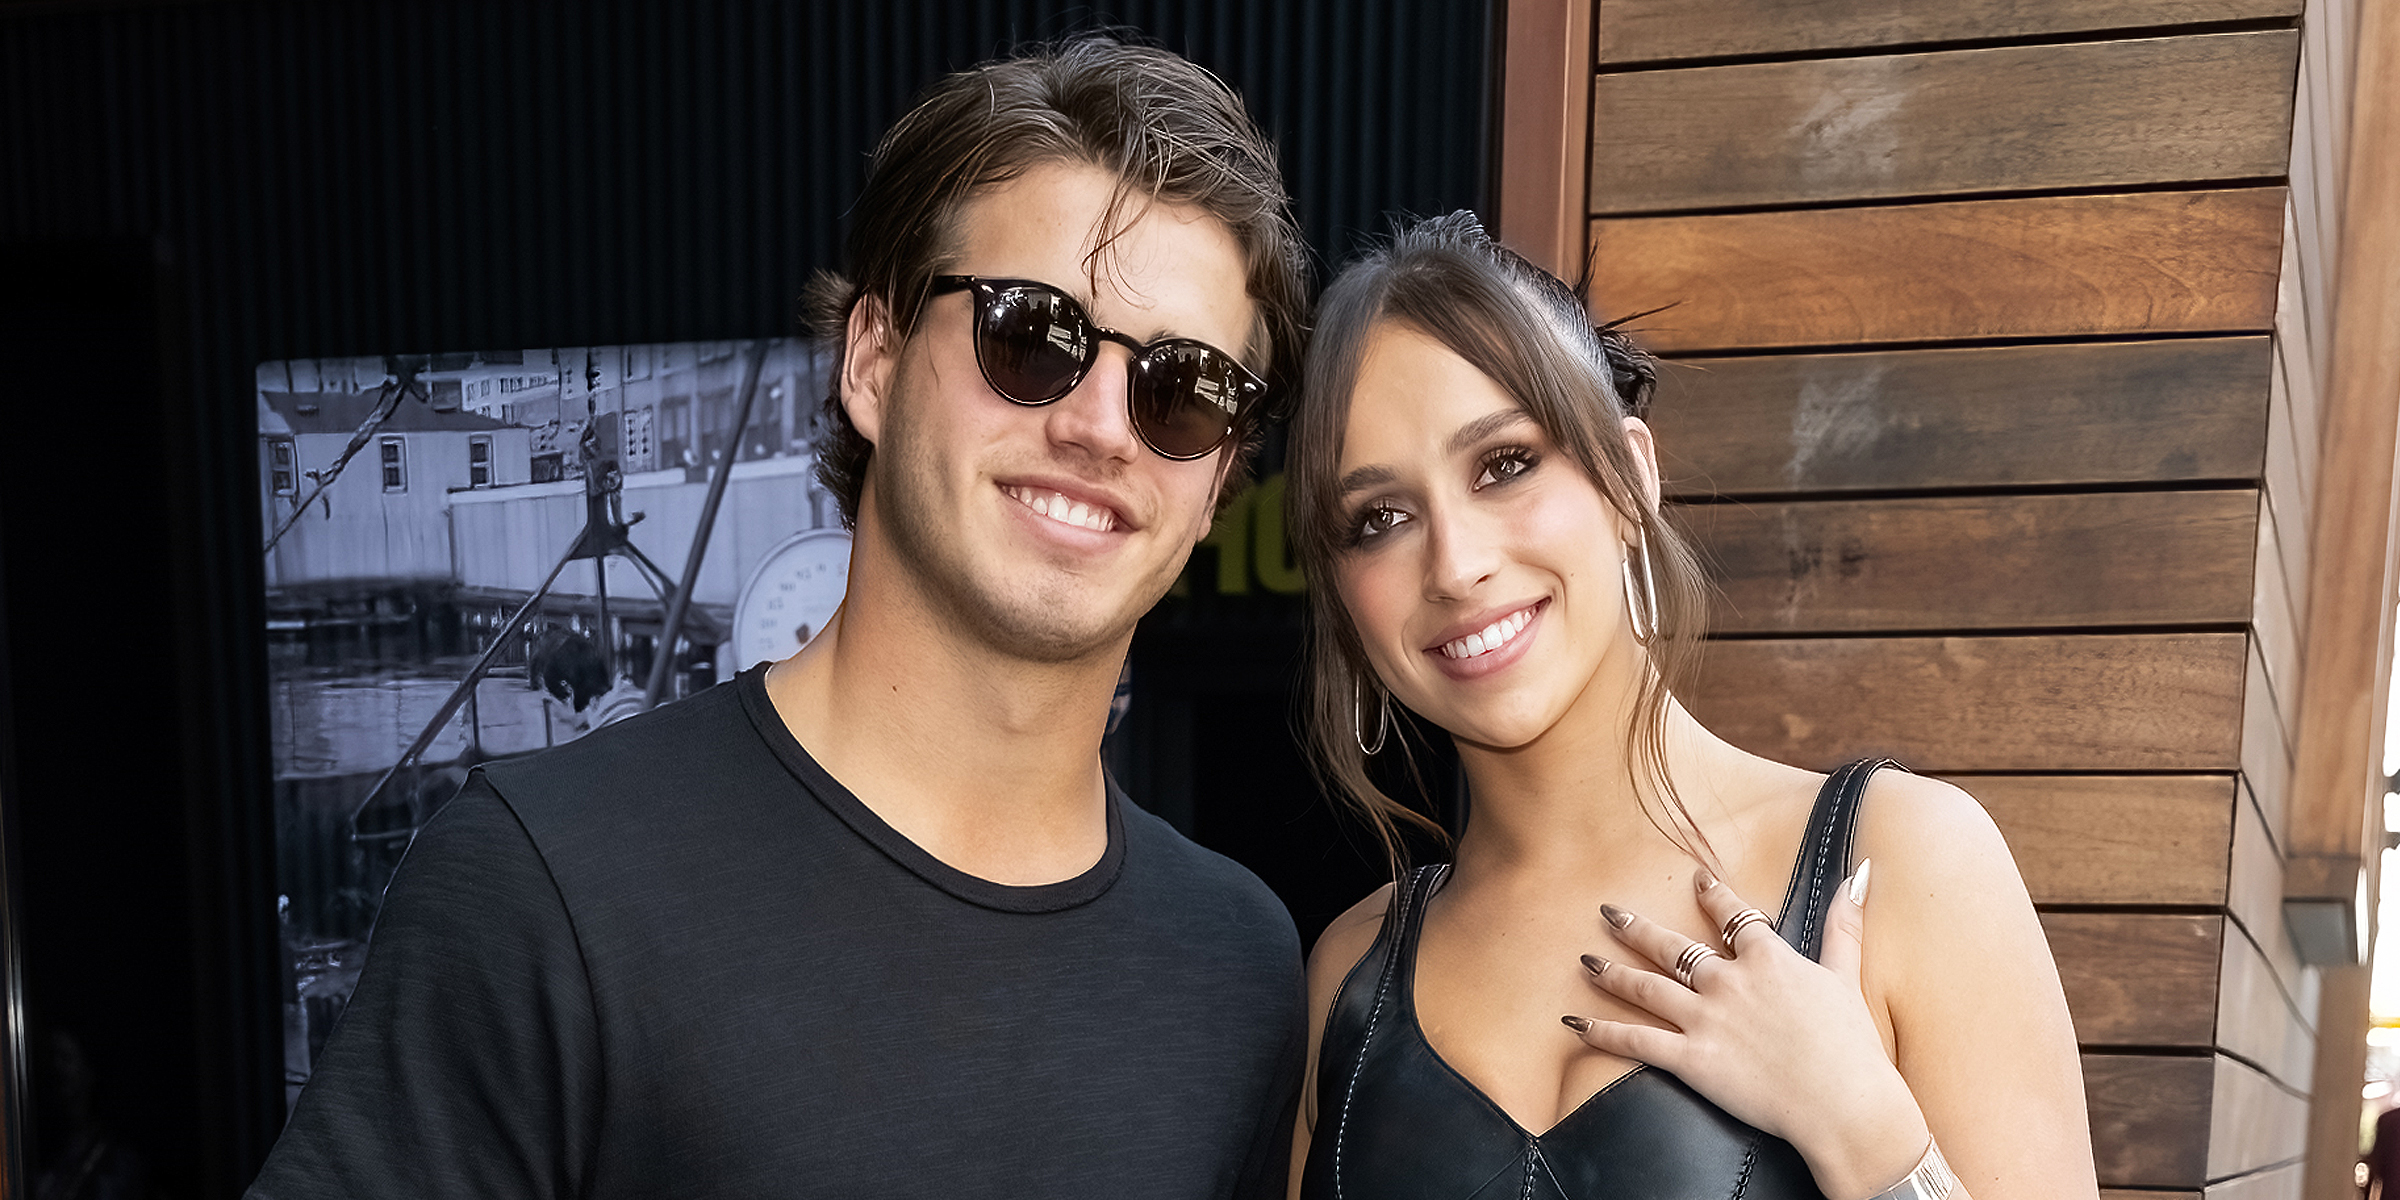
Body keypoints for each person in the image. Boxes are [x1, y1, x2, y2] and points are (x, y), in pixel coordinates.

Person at [247, 37, 1312, 1200]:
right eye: (1033, 335)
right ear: (874, 358)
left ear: (1215, 483)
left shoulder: (1240, 968)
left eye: (1185, 389)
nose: (1105, 427)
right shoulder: (541, 889)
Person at [1280, 213, 2097, 1200]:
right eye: (1382, 518)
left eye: (1504, 465)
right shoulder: (1351, 976)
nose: (1455, 565)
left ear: (1629, 475)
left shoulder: (1903, 863)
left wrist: (1866, 1132)